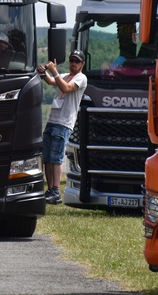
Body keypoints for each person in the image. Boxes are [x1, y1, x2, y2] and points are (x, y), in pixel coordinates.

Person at [37, 50, 88, 204]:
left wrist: (54, 71)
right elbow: (51, 81)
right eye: (72, 60)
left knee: (56, 158)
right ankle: (50, 190)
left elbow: (66, 88)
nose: (73, 63)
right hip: (53, 120)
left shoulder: (81, 78)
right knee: (47, 157)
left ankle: (56, 190)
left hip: (64, 122)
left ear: (82, 64)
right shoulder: (65, 75)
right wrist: (43, 72)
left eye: (77, 61)